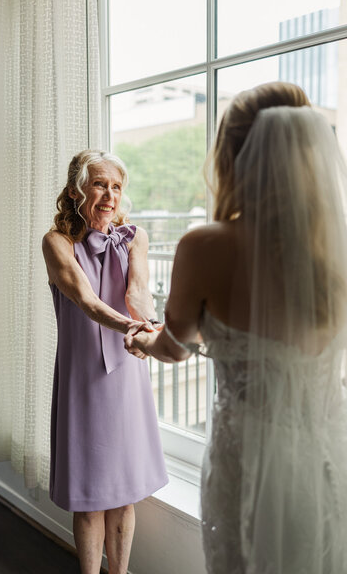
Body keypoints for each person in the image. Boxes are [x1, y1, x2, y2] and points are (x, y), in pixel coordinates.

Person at [125, 81, 347, 573]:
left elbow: (177, 345)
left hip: (246, 460)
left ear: (233, 156)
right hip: (329, 455)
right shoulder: (334, 251)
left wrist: (142, 338)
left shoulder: (206, 246)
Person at [42, 149, 168, 574]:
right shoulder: (56, 241)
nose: (109, 195)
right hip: (83, 380)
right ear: (78, 190)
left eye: (116, 187)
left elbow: (137, 293)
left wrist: (147, 324)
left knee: (124, 492)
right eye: (99, 184)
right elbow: (86, 300)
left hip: (126, 377)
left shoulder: (136, 237)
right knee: (90, 495)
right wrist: (130, 328)